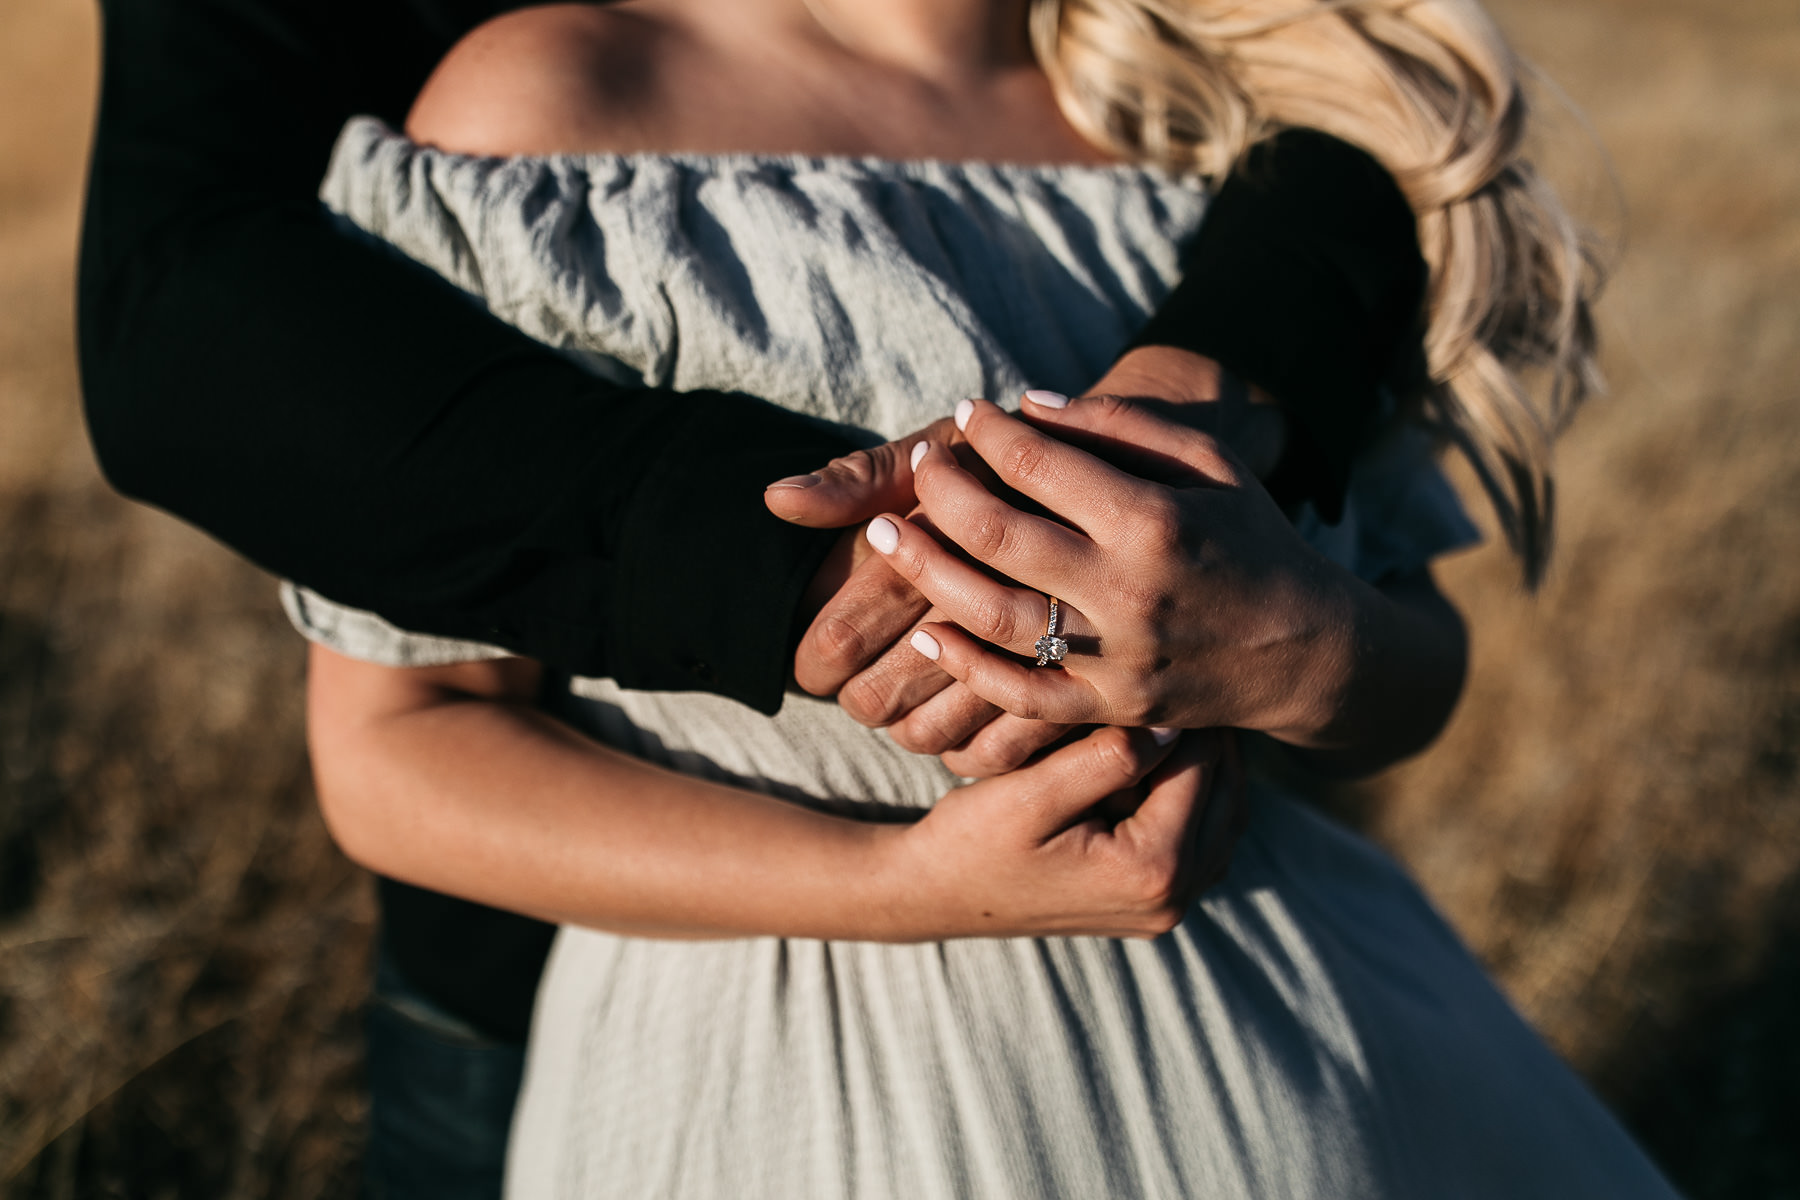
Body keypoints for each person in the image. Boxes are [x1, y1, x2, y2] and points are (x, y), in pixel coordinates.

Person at [283, 0, 1681, 1195]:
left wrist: (1298, 658)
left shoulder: (1209, 129)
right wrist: (897, 886)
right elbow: (400, 751)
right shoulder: (548, 101)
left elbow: (1415, 666)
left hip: (1282, 1057)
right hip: (773, 1083)